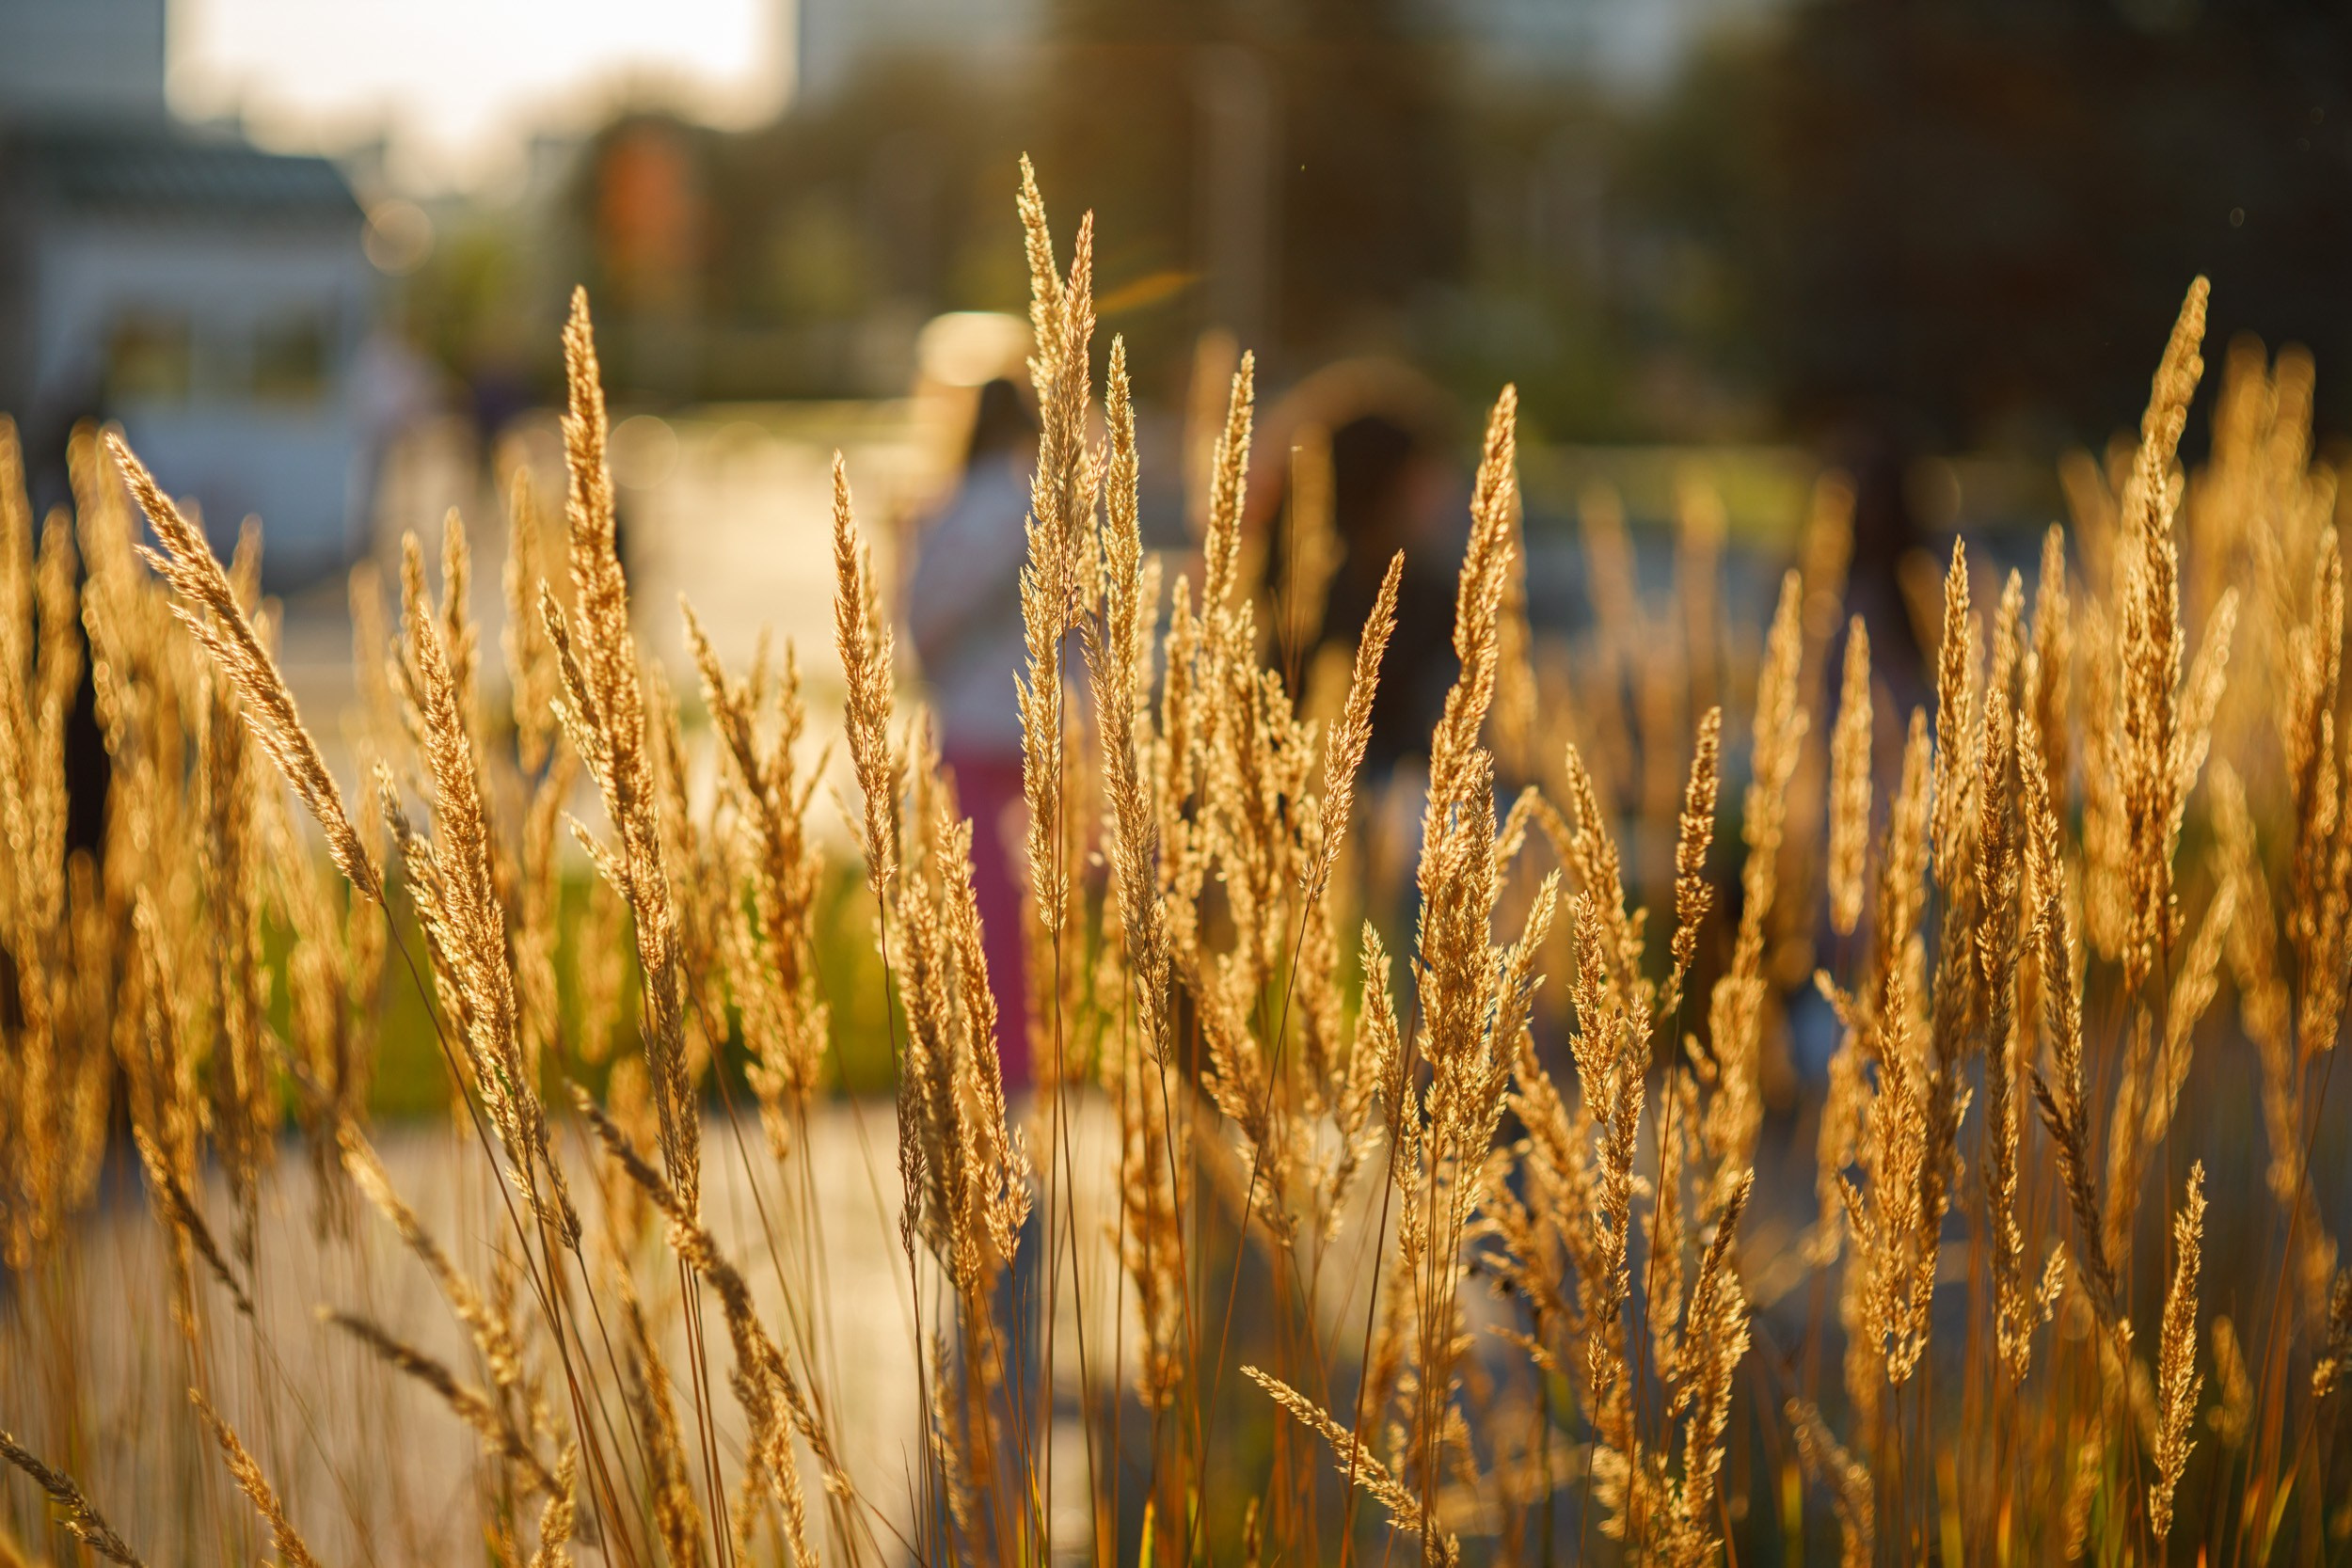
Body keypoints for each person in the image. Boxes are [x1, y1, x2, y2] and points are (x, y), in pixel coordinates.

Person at [905, 376, 1040, 1092]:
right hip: (1045, 745)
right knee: (1049, 930)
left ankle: (995, 1088)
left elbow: (920, 633)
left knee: (983, 933)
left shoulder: (949, 514)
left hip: (969, 740)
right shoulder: (1041, 508)